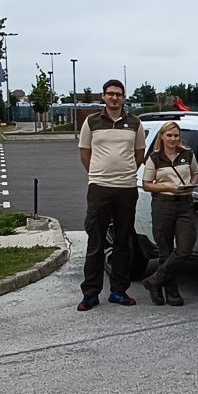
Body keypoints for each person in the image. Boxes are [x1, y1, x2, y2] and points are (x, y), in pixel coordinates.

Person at [77, 79, 147, 311]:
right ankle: (90, 293)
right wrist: (99, 174)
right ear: (103, 97)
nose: (114, 98)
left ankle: (119, 290)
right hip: (99, 187)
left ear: (124, 97)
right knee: (96, 241)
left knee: (122, 242)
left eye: (118, 94)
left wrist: (124, 173)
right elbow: (85, 153)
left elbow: (139, 154)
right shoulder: (92, 122)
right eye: (110, 94)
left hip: (126, 188)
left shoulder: (135, 123)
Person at [140, 121, 198, 306]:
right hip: (163, 203)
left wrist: (191, 185)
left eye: (176, 135)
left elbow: (196, 173)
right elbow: (147, 183)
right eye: (169, 135)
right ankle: (171, 291)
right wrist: (166, 186)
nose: (173, 139)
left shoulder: (187, 154)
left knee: (185, 248)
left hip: (184, 203)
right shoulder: (154, 158)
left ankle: (155, 280)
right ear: (162, 137)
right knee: (165, 249)